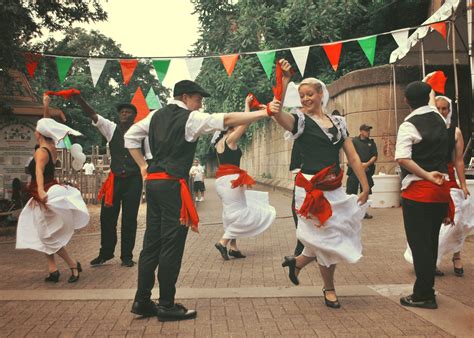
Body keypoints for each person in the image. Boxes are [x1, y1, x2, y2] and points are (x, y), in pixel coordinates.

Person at [124, 80, 274, 321]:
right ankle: (166, 305)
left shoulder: (154, 117)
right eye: (198, 98)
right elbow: (225, 120)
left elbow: (130, 137)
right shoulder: (189, 118)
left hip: (153, 183)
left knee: (152, 242)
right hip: (173, 184)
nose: (200, 103)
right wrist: (264, 111)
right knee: (172, 243)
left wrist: (143, 166)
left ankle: (142, 301)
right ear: (185, 97)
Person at [273, 60, 370, 309]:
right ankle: (328, 288)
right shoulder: (300, 122)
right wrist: (283, 83)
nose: (305, 99)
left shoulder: (339, 123)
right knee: (325, 239)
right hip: (309, 190)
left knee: (332, 236)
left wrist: (365, 185)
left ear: (320, 94)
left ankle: (299, 262)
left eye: (309, 94)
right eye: (302, 95)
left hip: (335, 188)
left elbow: (353, 157)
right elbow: (276, 113)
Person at [16, 95, 89, 283]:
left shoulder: (41, 151)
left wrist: (40, 191)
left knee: (47, 235)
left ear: (39, 133)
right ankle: (53, 270)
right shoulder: (51, 146)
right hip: (42, 193)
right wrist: (46, 106)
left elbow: (38, 172)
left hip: (43, 193)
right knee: (43, 232)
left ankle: (73, 265)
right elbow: (46, 123)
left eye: (37, 129)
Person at [395, 81, 452, 310]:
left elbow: (402, 158)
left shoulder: (409, 125)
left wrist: (427, 175)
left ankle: (424, 294)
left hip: (419, 190)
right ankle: (426, 290)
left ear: (406, 101)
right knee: (431, 241)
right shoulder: (441, 119)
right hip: (441, 191)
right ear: (430, 96)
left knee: (419, 244)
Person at [71, 93, 145, 268]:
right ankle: (105, 253)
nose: (125, 114)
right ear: (119, 115)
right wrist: (80, 100)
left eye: (128, 112)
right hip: (115, 181)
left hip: (133, 181)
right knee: (107, 218)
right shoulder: (111, 129)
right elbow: (93, 115)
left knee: (129, 219)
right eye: (122, 112)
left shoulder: (142, 133)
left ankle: (126, 256)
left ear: (134, 116)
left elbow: (148, 156)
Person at [403, 94, 472, 276]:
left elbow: (458, 161)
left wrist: (463, 184)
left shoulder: (454, 131)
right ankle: (430, 262)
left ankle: (456, 256)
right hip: (428, 179)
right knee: (433, 225)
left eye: (445, 109)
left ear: (449, 111)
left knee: (457, 220)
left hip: (448, 178)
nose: (441, 111)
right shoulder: (423, 128)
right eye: (438, 108)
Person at [213, 94, 276, 260]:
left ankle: (233, 248)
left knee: (230, 212)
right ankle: (223, 242)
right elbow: (246, 122)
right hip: (232, 180)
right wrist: (247, 107)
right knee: (242, 212)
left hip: (221, 181)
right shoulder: (230, 139)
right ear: (230, 127)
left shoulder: (218, 143)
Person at [346, 124, 378, 219]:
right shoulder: (354, 141)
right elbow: (350, 155)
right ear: (361, 131)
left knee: (365, 190)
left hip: (367, 170)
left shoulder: (371, 143)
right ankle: (350, 211)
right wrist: (359, 166)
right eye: (366, 130)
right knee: (351, 191)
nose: (368, 132)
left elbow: (375, 156)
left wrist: (366, 164)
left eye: (369, 130)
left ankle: (363, 211)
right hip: (354, 171)